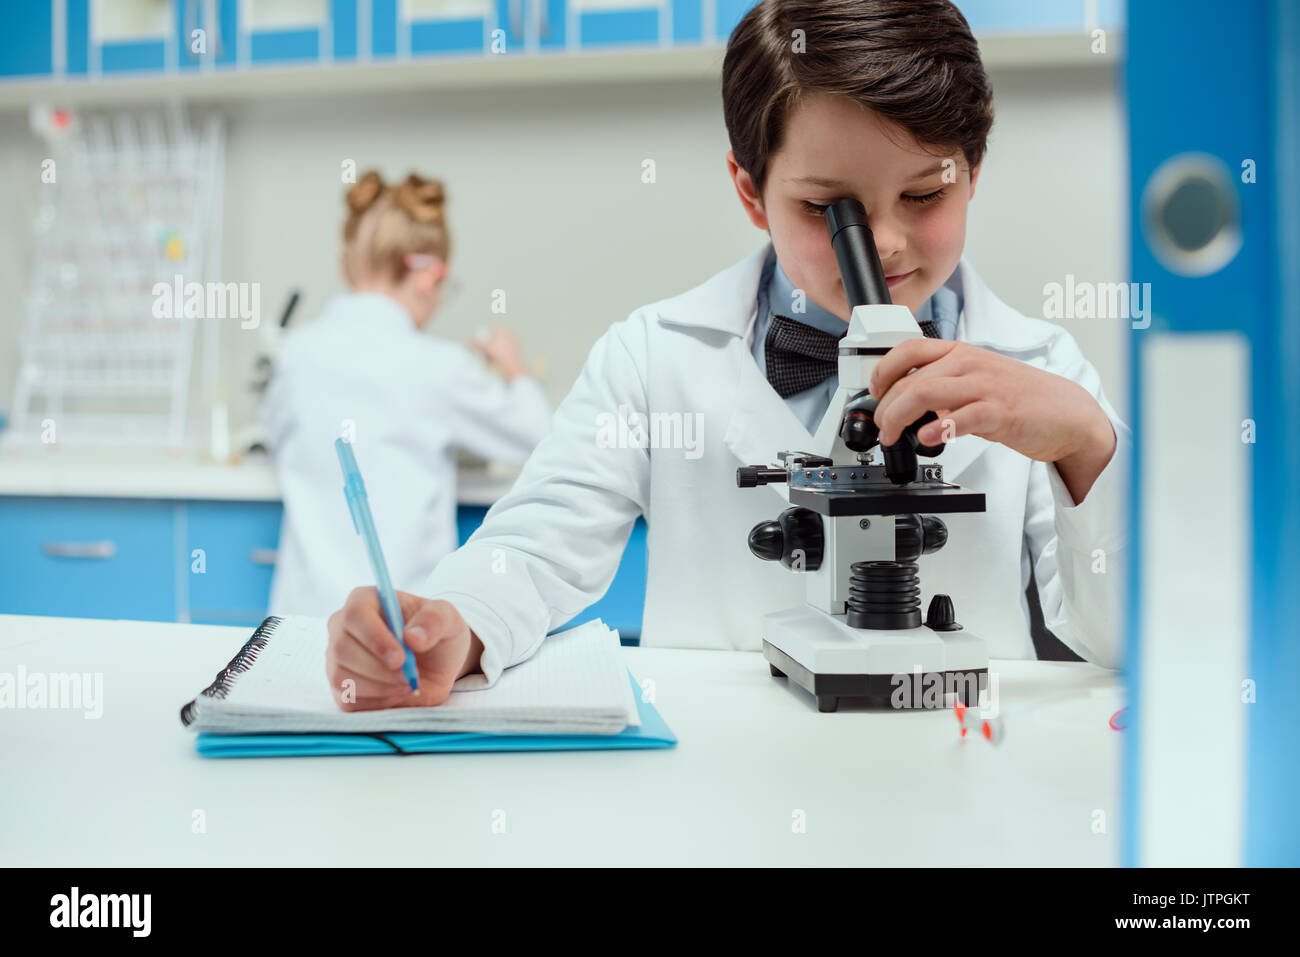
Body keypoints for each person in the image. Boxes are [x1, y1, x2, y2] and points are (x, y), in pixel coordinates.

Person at [322, 0, 1130, 711]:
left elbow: (1126, 640)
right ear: (751, 192)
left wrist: (1087, 448)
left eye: (925, 195)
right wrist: (452, 624)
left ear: (974, 173)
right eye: (828, 209)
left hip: (963, 768)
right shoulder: (654, 356)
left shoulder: (1043, 362)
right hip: (717, 781)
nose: (883, 244)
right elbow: (534, 548)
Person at [263, 170, 552, 618]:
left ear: (345, 265)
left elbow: (275, 435)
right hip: (397, 632)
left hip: (298, 622)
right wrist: (513, 365)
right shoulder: (439, 366)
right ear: (427, 277)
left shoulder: (295, 352)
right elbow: (539, 439)